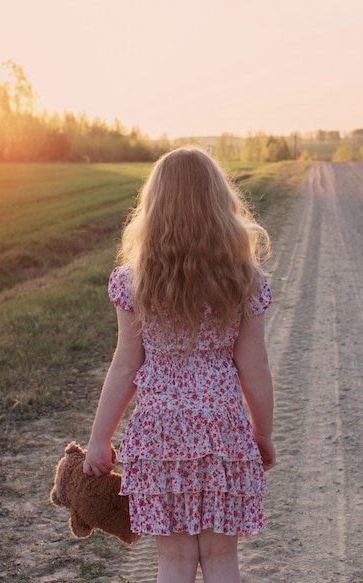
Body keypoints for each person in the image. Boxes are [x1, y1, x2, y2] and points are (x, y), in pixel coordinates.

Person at [83, 146, 276, 583]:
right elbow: (254, 368)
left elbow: (125, 366)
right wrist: (261, 434)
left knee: (173, 560)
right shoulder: (245, 281)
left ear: (153, 209)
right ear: (222, 206)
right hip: (222, 432)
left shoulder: (135, 281)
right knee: (221, 554)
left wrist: (100, 439)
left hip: (159, 435)